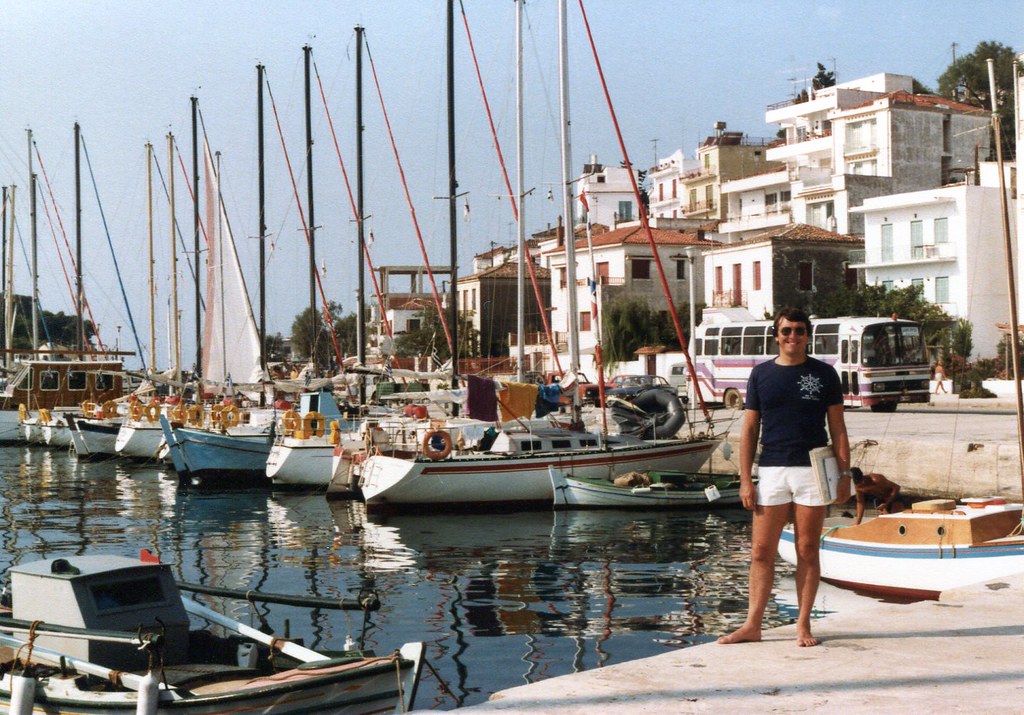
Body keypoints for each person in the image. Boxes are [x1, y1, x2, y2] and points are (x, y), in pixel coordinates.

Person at [718, 307, 851, 648]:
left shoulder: (824, 374)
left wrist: (844, 474)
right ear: (776, 335)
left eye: (800, 330)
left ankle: (803, 625)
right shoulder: (761, 375)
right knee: (761, 551)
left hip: (813, 470)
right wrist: (745, 479)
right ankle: (752, 625)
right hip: (772, 470)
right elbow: (750, 429)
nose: (793, 336)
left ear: (808, 336)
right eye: (787, 330)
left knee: (807, 548)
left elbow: (838, 428)